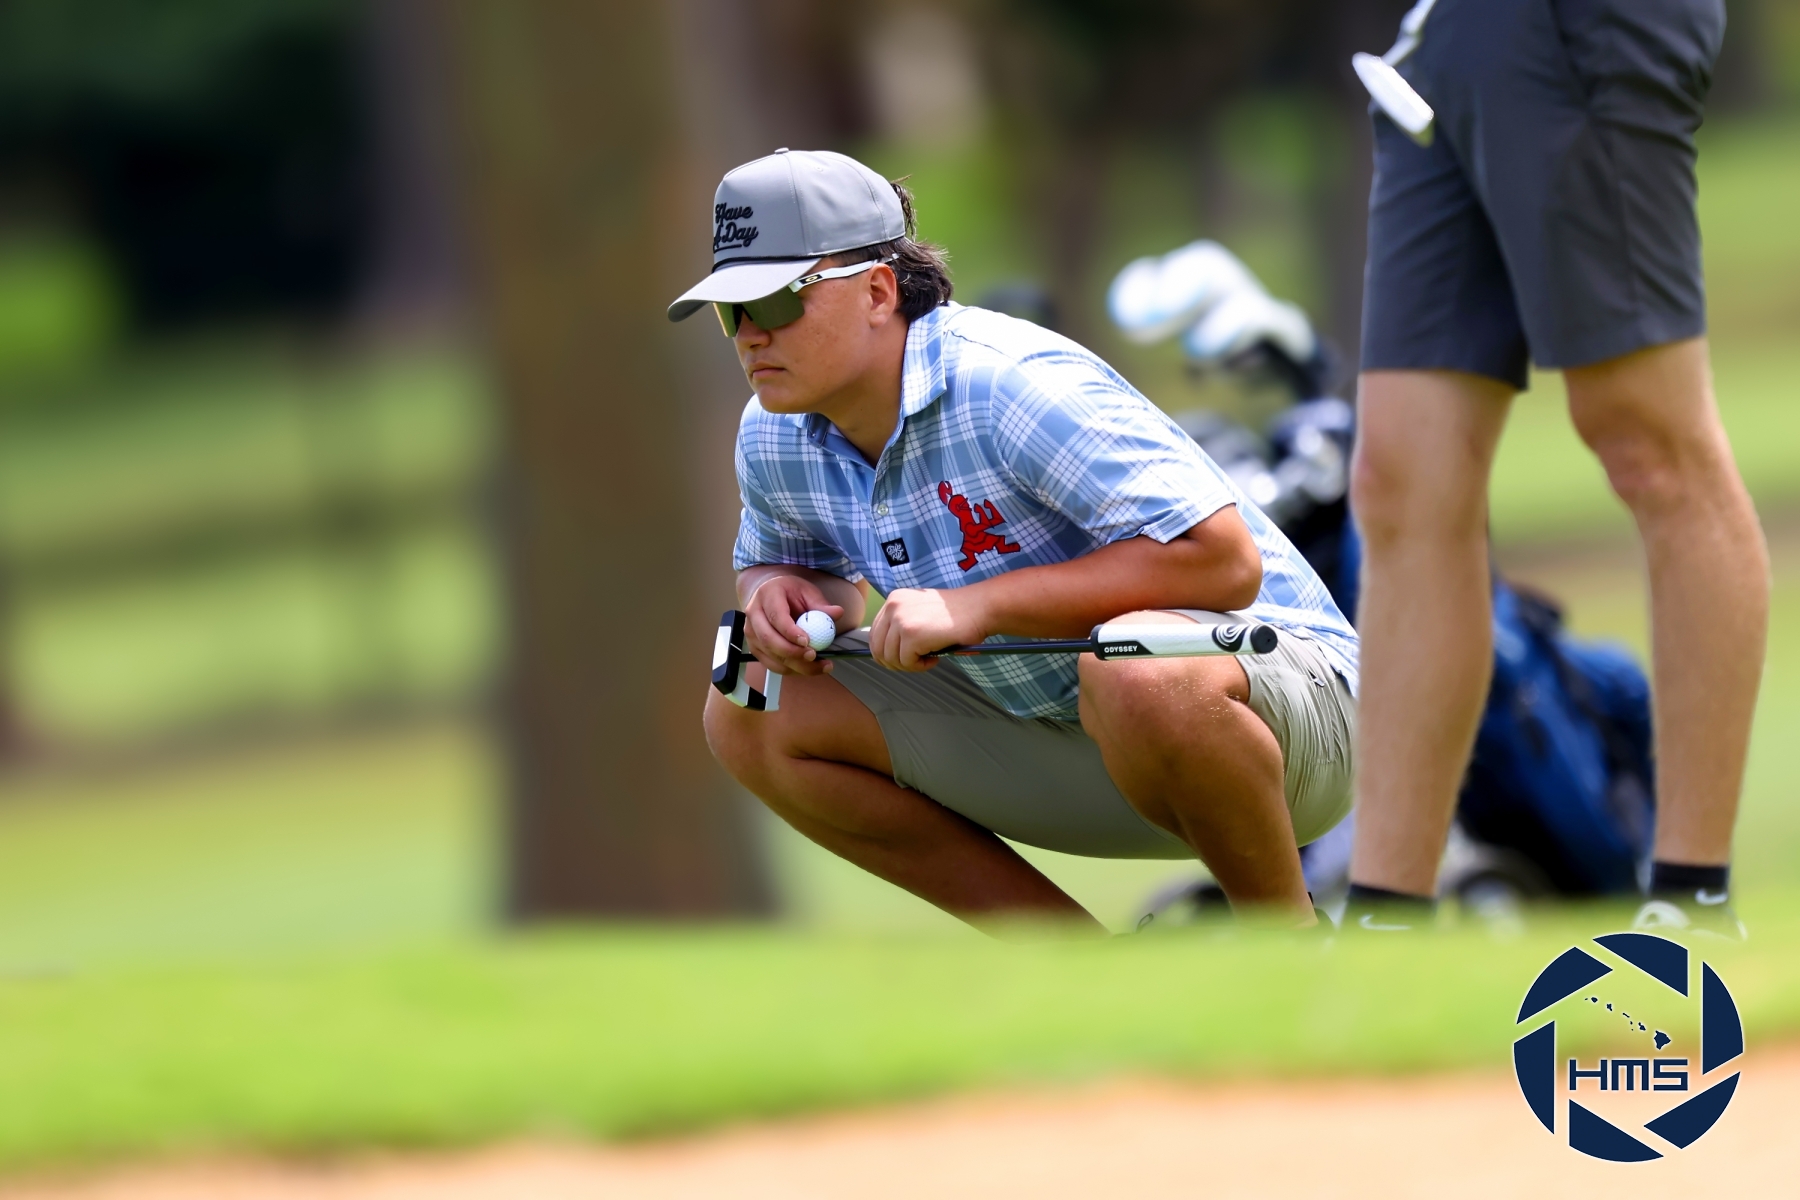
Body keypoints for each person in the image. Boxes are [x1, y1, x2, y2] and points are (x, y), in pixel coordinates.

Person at [670, 149, 1360, 932]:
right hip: (1073, 731)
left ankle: (1290, 950)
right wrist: (776, 596)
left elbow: (1224, 561)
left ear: (878, 291)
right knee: (748, 700)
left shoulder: (1008, 382)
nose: (750, 335)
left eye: (773, 301)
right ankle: (1083, 977)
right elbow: (794, 566)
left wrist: (979, 606)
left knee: (1137, 670)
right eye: (730, 311)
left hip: (1291, 723)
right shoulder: (774, 430)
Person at [1349, 0, 1765, 934]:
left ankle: (1693, 900)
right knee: (1400, 480)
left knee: (1649, 442)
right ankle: (1384, 926)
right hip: (1443, 33)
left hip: (1571, 21)